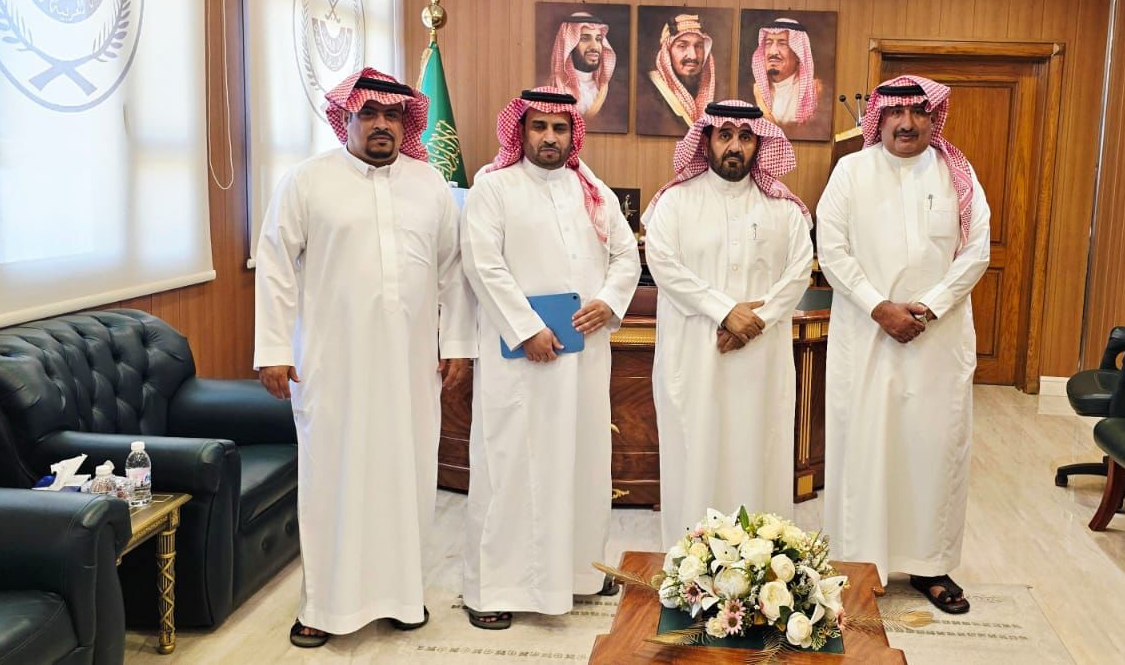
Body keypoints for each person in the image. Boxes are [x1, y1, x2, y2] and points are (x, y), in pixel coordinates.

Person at [253, 67, 476, 647]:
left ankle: (403, 596)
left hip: (411, 365)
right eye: (369, 113)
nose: (382, 125)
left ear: (407, 123)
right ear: (345, 119)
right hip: (332, 364)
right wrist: (272, 349)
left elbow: (454, 271)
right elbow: (274, 266)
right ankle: (322, 607)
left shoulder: (430, 185)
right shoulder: (308, 181)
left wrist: (457, 344)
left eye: (392, 115)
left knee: (408, 475)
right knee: (332, 477)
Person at [459, 88, 641, 629]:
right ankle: (494, 589)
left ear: (572, 134)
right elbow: (482, 264)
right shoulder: (493, 187)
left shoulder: (593, 190)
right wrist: (527, 329)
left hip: (583, 356)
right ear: (521, 131)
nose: (549, 137)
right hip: (520, 360)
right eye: (539, 126)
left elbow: (626, 254)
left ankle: (578, 574)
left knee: (582, 463)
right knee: (512, 465)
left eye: (560, 128)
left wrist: (609, 300)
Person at [815, 74, 991, 616]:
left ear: (934, 118)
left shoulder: (956, 174)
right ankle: (857, 564)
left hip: (937, 343)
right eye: (896, 112)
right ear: (881, 117)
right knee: (865, 448)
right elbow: (832, 249)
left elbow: (977, 251)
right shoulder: (851, 171)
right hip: (867, 337)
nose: (907, 123)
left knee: (933, 450)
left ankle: (930, 565)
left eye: (918, 112)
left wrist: (930, 306)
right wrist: (880, 307)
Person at [643, 100, 812, 543]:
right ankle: (689, 563)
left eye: (745, 137)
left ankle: (762, 559)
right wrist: (724, 310)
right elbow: (663, 264)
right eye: (725, 135)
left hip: (761, 360)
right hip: (695, 359)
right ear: (706, 141)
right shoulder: (675, 202)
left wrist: (755, 320)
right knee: (694, 454)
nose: (735, 146)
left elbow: (799, 272)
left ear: (759, 144)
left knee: (759, 452)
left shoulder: (784, 209)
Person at [750, 17, 824, 137]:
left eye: (782, 44)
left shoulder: (814, 89)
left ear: (798, 54)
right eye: (768, 43)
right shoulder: (758, 90)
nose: (773, 52)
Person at [643, 12, 716, 135]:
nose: (693, 56)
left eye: (698, 46)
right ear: (667, 53)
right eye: (682, 46)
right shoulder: (648, 90)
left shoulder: (716, 91)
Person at [549, 12, 617, 117]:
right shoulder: (554, 89)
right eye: (585, 39)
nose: (594, 46)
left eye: (598, 39)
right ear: (569, 45)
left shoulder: (609, 91)